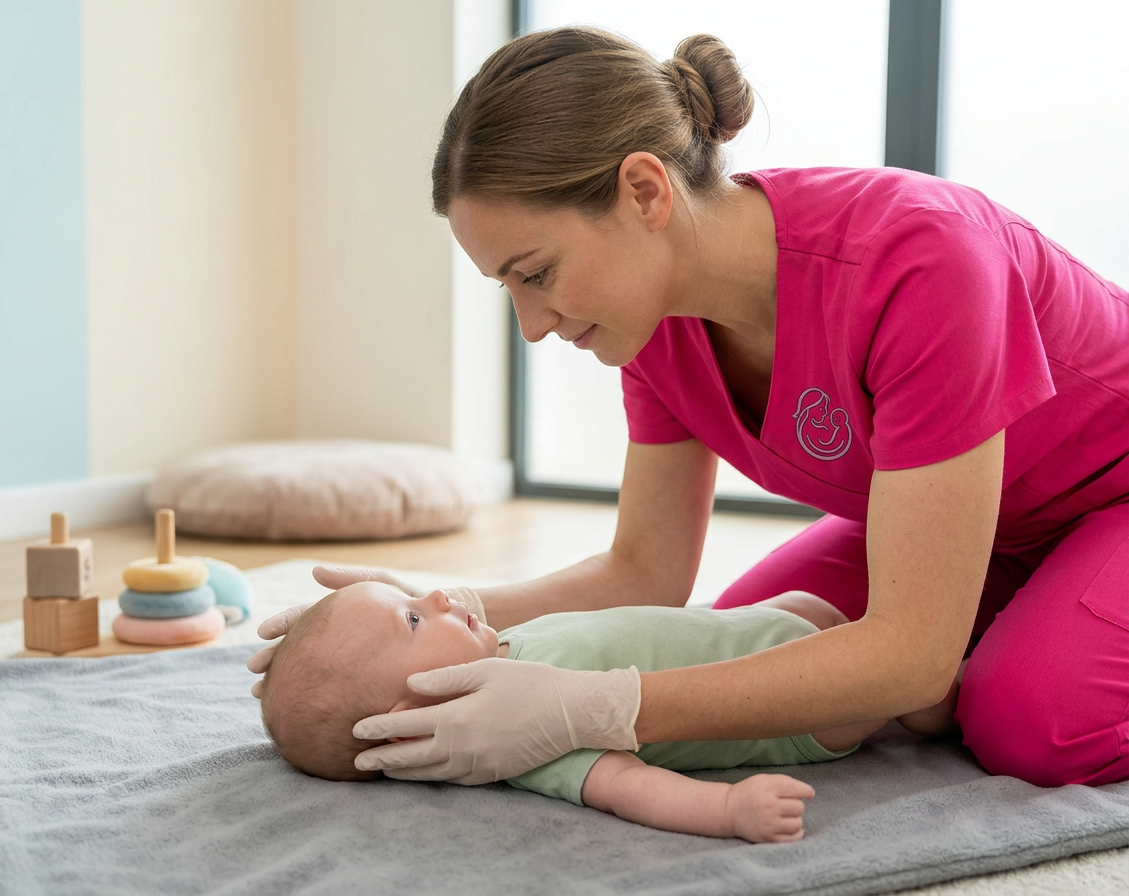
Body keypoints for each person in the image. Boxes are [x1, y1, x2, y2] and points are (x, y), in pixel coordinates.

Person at [249, 26, 1129, 790]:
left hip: (1112, 499)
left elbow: (910, 659)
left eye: (536, 273)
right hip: (993, 525)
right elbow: (644, 576)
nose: (532, 325)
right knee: (741, 644)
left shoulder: (923, 262)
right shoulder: (658, 322)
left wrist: (597, 709)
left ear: (644, 192)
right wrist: (425, 609)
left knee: (1030, 726)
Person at [256, 580, 939, 842]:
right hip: (799, 710)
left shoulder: (506, 651)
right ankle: (945, 697)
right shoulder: (516, 743)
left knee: (823, 607)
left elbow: (629, 577)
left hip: (765, 626)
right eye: (410, 617)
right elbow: (626, 788)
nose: (436, 593)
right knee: (916, 689)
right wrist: (729, 811)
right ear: (409, 713)